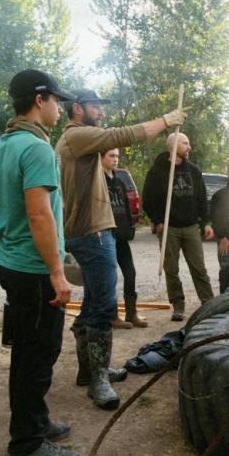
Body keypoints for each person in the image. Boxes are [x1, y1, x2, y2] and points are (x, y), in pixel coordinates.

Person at [56, 89, 185, 410]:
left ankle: (90, 371)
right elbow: (124, 135)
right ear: (77, 109)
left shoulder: (75, 141)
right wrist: (166, 121)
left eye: (101, 105)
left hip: (90, 232)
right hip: (92, 234)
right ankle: (98, 378)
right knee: (101, 306)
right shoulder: (77, 136)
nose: (99, 110)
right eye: (94, 105)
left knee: (92, 303)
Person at [0, 69, 78, 456]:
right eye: (57, 99)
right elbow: (40, 215)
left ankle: (36, 423)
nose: (60, 106)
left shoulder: (1, 145)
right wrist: (57, 273)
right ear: (39, 100)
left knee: (27, 351)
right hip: (34, 269)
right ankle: (25, 445)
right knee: (38, 356)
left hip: (11, 261)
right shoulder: (38, 149)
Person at [142, 132, 214, 321]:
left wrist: (205, 222)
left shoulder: (194, 171)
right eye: (185, 143)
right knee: (171, 270)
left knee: (199, 267)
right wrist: (158, 221)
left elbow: (201, 199)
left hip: (191, 227)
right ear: (172, 146)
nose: (189, 147)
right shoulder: (157, 171)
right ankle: (178, 305)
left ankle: (208, 303)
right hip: (169, 229)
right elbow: (148, 200)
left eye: (189, 143)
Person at [101, 148, 147, 329]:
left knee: (130, 273)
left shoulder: (119, 181)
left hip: (121, 237)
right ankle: (112, 315)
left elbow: (127, 209)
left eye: (117, 156)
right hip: (106, 236)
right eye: (111, 156)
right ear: (101, 157)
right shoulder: (97, 181)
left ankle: (131, 313)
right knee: (110, 276)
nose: (115, 160)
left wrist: (129, 229)